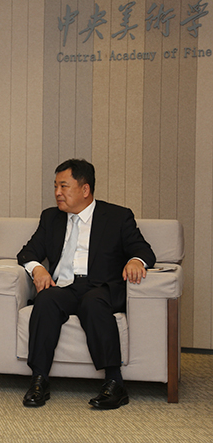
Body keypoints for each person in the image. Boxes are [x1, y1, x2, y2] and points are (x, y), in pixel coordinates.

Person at [17, 159, 155, 409]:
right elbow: (27, 253)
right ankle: (39, 380)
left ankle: (114, 382)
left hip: (100, 287)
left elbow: (143, 250)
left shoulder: (117, 217)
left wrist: (136, 261)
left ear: (85, 189)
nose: (57, 193)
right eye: (55, 186)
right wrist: (37, 268)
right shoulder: (51, 218)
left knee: (93, 303)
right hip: (65, 288)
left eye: (64, 186)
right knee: (46, 299)